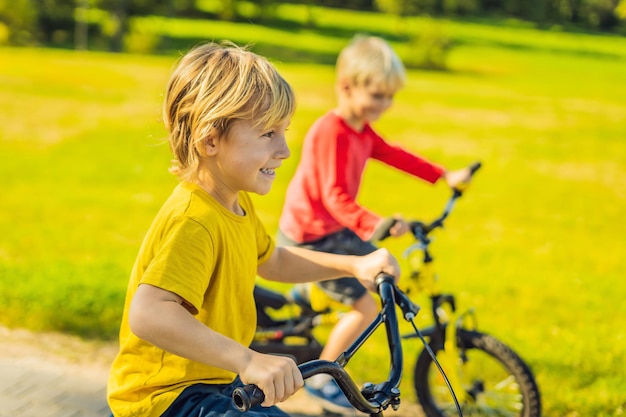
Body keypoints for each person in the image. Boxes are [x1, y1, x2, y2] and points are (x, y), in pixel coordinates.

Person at [106, 41, 401, 417]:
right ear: (210, 139)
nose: (285, 150)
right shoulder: (195, 219)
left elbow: (272, 259)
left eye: (284, 132)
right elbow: (149, 314)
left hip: (213, 384)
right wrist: (247, 360)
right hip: (167, 397)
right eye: (268, 134)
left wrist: (353, 266)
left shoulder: (235, 202)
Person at [278, 35, 472, 415]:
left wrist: (444, 175)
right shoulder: (329, 131)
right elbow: (334, 195)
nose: (385, 105)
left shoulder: (362, 129)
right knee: (366, 307)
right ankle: (320, 379)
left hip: (334, 230)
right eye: (378, 95)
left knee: (384, 271)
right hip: (312, 234)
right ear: (347, 87)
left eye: (390, 97)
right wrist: (376, 223)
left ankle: (313, 297)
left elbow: (395, 155)